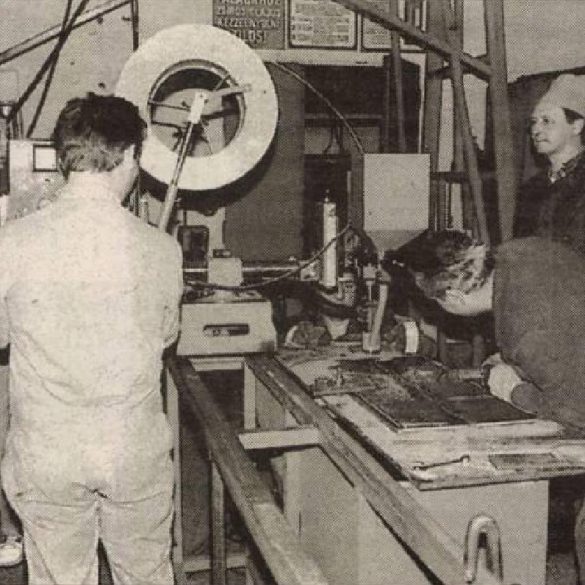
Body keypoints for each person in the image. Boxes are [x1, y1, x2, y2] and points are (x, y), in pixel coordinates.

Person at [0, 93, 183, 584]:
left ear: (64, 158)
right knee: (146, 574)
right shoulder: (162, 250)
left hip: (48, 453)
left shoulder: (11, 242)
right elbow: (167, 336)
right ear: (129, 156)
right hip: (132, 450)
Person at [411, 230, 585, 582]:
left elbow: (578, 414)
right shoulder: (522, 250)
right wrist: (518, 363)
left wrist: (514, 390)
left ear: (454, 296)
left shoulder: (528, 331)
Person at [514, 73, 585, 253]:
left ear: (576, 126)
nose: (536, 130)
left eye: (547, 121)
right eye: (533, 122)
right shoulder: (530, 188)